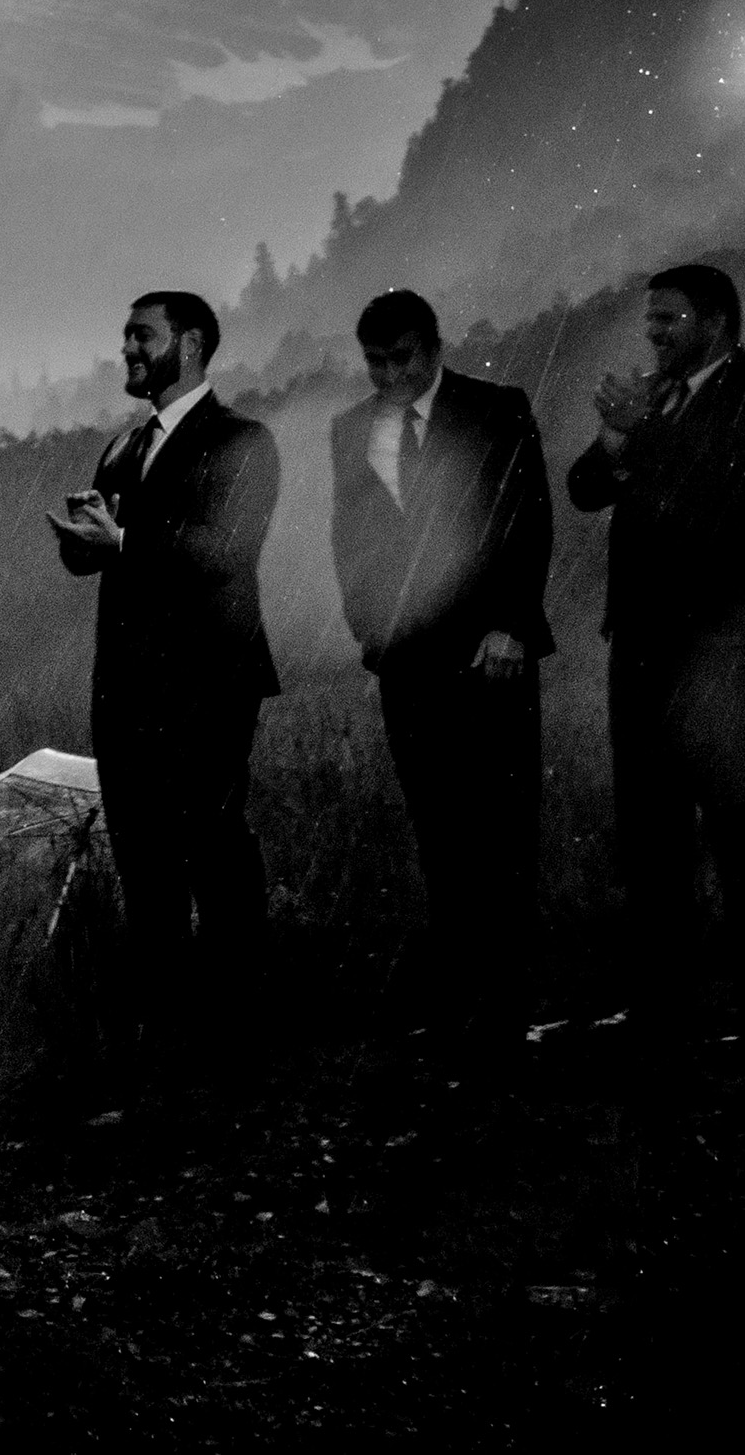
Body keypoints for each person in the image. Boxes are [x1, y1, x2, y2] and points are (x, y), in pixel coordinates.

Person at [51, 290, 280, 1061]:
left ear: (189, 341)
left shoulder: (243, 440)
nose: (127, 349)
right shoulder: (122, 447)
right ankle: (164, 1030)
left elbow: (227, 551)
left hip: (208, 681)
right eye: (124, 336)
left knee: (212, 848)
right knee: (142, 859)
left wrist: (126, 537)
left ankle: (235, 1023)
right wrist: (85, 541)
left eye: (141, 335)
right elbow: (109, 555)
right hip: (125, 687)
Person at [326, 288, 553, 1032]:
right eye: (373, 361)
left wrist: (512, 625)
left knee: (505, 829)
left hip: (494, 657)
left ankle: (510, 1002)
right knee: (438, 828)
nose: (386, 374)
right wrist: (372, 630)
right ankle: (461, 999)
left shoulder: (496, 408)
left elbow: (528, 519)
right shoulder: (351, 428)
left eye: (399, 357)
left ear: (432, 347)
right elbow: (349, 536)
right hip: (408, 663)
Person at [565, 262, 745, 1007]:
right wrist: (612, 440)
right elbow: (582, 490)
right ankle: (665, 998)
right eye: (649, 320)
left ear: (715, 322)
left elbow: (716, 498)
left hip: (718, 646)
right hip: (639, 645)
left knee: (734, 821)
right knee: (650, 824)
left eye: (668, 320)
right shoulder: (656, 395)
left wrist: (645, 438)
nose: (653, 333)